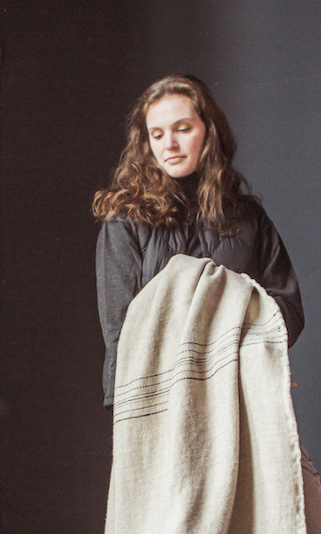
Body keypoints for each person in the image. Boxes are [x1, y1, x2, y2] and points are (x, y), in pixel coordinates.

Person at [94, 74, 304, 407]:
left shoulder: (248, 217)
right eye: (157, 134)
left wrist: (258, 356)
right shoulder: (126, 220)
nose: (169, 144)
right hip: (159, 397)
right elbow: (121, 329)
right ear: (146, 143)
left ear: (209, 131)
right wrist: (126, 406)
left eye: (183, 129)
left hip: (240, 390)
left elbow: (287, 308)